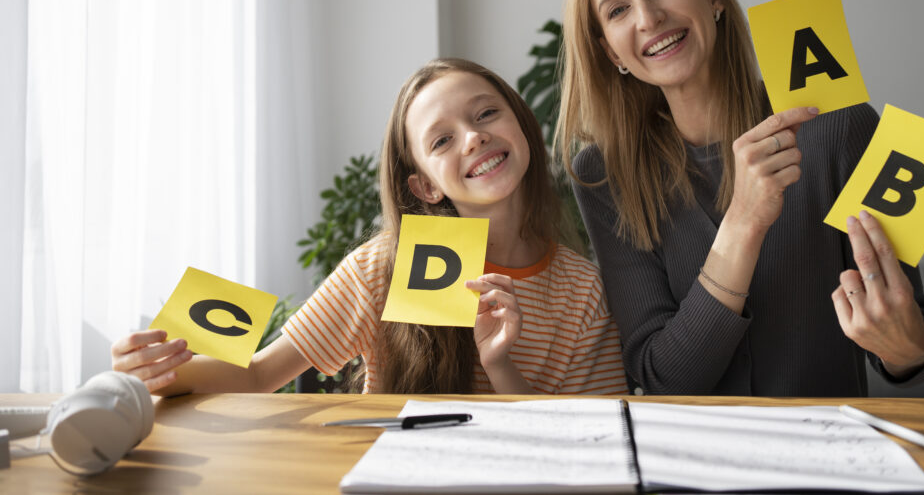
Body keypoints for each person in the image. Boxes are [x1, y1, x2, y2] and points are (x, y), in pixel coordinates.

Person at [556, 0, 924, 396]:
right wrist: (743, 221)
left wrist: (906, 347)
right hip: (692, 464)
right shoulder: (603, 175)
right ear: (611, 52)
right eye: (617, 11)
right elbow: (661, 377)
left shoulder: (838, 123)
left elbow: (922, 339)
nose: (648, 17)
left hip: (824, 455)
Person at [112, 58, 628, 395]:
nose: (473, 137)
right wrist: (156, 371)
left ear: (522, 128)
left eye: (487, 113)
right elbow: (261, 371)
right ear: (425, 188)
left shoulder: (582, 289)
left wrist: (500, 365)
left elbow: (584, 439)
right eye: (441, 141)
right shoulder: (381, 266)